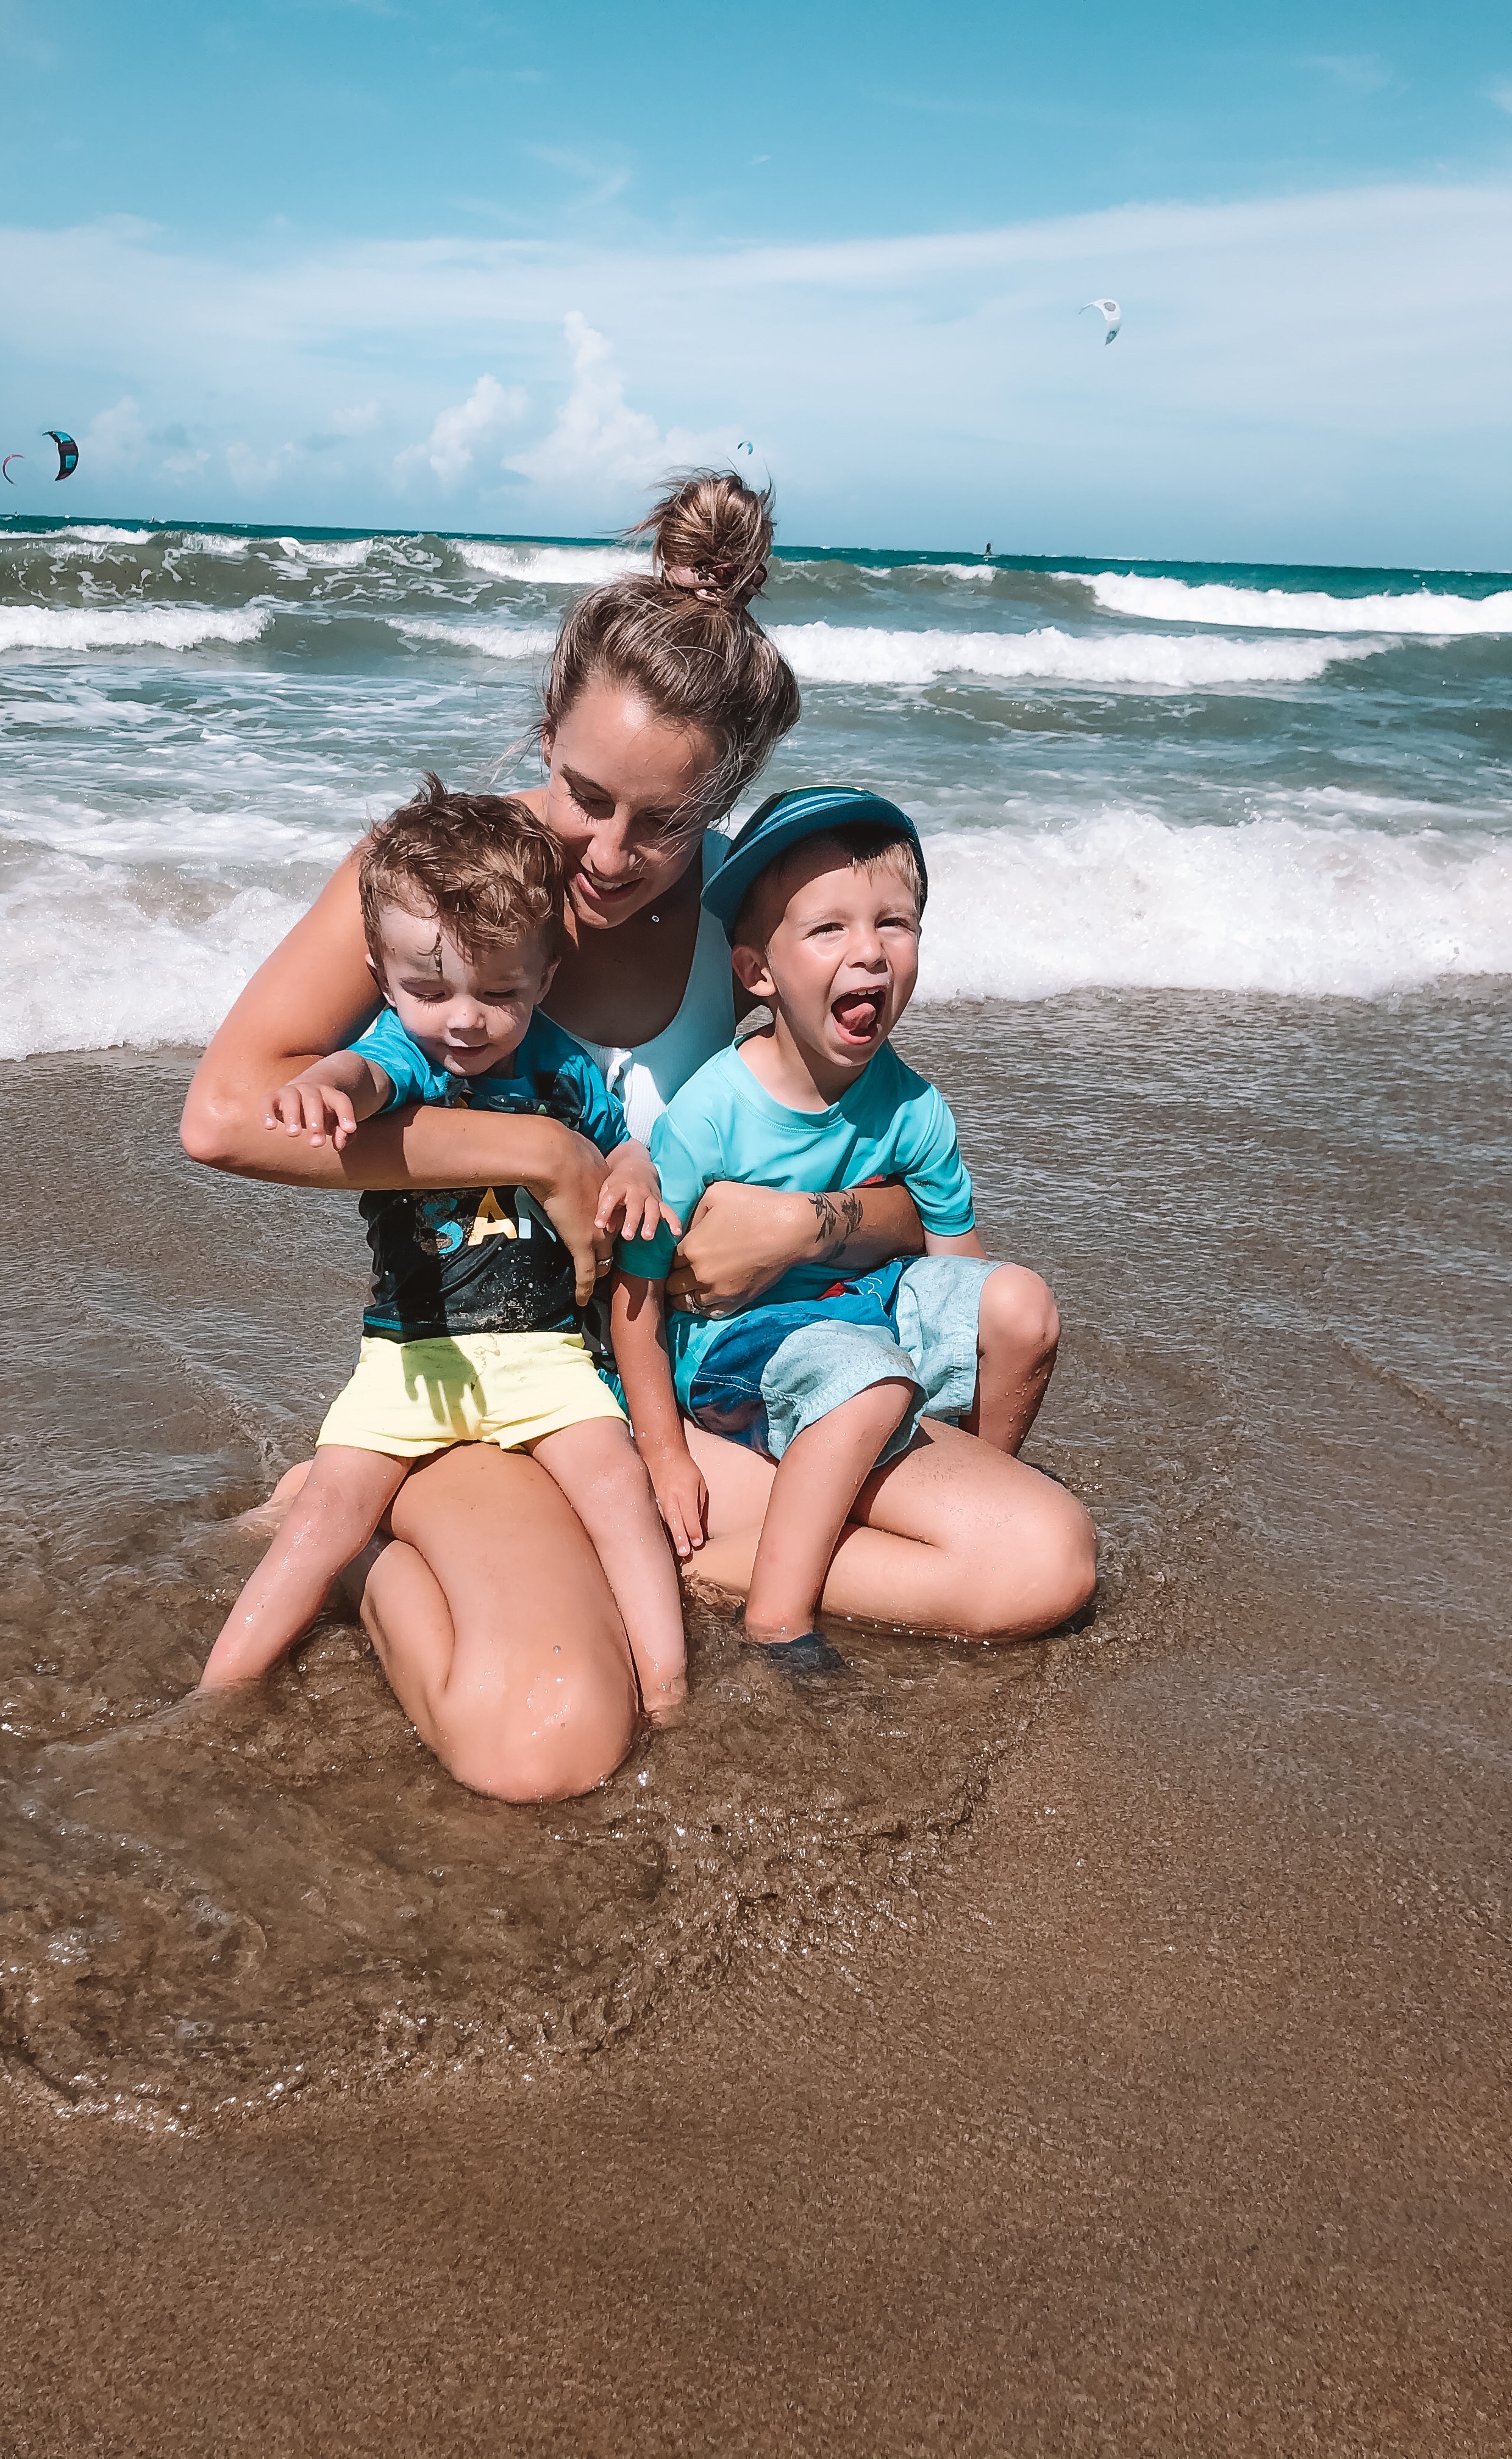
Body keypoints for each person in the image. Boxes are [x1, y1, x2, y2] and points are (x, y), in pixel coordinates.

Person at [181, 469, 1094, 1803]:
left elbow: (902, 1178)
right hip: (485, 1379)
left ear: (723, 796)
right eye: (585, 794)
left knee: (1040, 1563)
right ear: (546, 728)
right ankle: (366, 1536)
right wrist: (542, 1155)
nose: (607, 854)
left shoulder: (742, 915)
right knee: (548, 1742)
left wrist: (805, 1223)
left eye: (664, 821)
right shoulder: (438, 879)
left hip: (685, 1391)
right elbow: (223, 1116)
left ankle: (618, 1568)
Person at [198, 779, 687, 1722]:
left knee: (620, 1491)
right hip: (412, 1355)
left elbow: (618, 1141)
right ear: (382, 976)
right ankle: (222, 1689)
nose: (465, 1019)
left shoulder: (560, 1064)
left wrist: (633, 1170)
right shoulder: (405, 1052)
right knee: (326, 1515)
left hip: (546, 1352)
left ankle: (668, 1692)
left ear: (546, 977)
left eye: (501, 992)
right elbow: (368, 1074)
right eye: (429, 989)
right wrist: (324, 1085)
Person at [610, 787, 1058, 1674]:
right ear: (758, 973)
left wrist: (975, 1333)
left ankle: (967, 1483)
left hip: (862, 1311)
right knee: (862, 1377)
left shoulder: (916, 1107)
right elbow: (640, 1292)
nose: (870, 952)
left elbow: (958, 1274)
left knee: (1020, 1305)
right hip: (737, 1347)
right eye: (828, 930)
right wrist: (662, 1452)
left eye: (895, 923)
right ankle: (777, 1617)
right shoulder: (710, 1114)